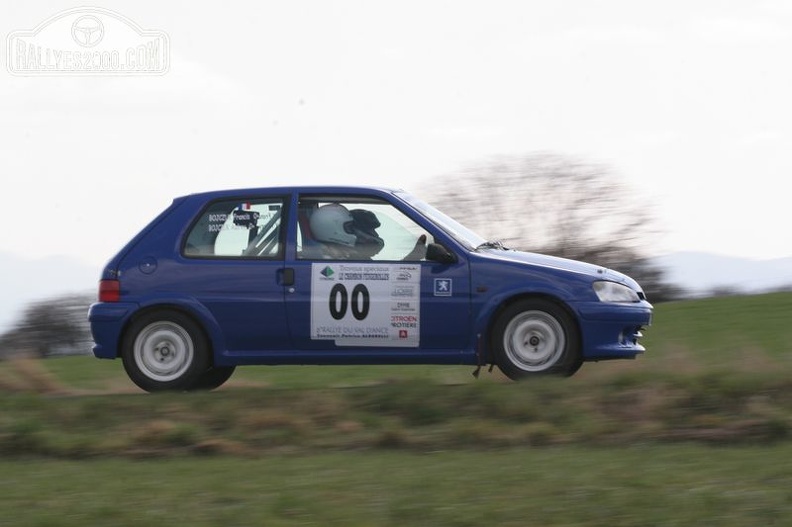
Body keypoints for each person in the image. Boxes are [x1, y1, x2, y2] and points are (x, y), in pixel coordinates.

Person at [309, 204, 384, 260]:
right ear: (332, 228)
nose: (354, 233)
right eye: (349, 228)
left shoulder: (349, 257)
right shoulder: (328, 260)